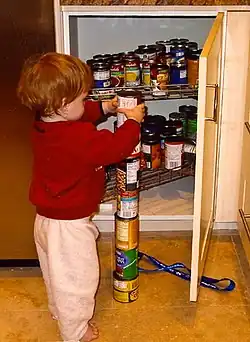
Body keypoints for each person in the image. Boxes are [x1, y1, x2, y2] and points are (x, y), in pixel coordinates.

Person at [17, 52, 145, 342]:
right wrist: (132, 123)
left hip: (46, 219)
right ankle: (75, 331)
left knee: (56, 273)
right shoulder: (78, 138)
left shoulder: (44, 121)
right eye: (81, 97)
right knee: (77, 280)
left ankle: (59, 310)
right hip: (70, 227)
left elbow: (80, 113)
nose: (85, 102)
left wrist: (105, 108)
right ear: (62, 105)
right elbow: (114, 148)